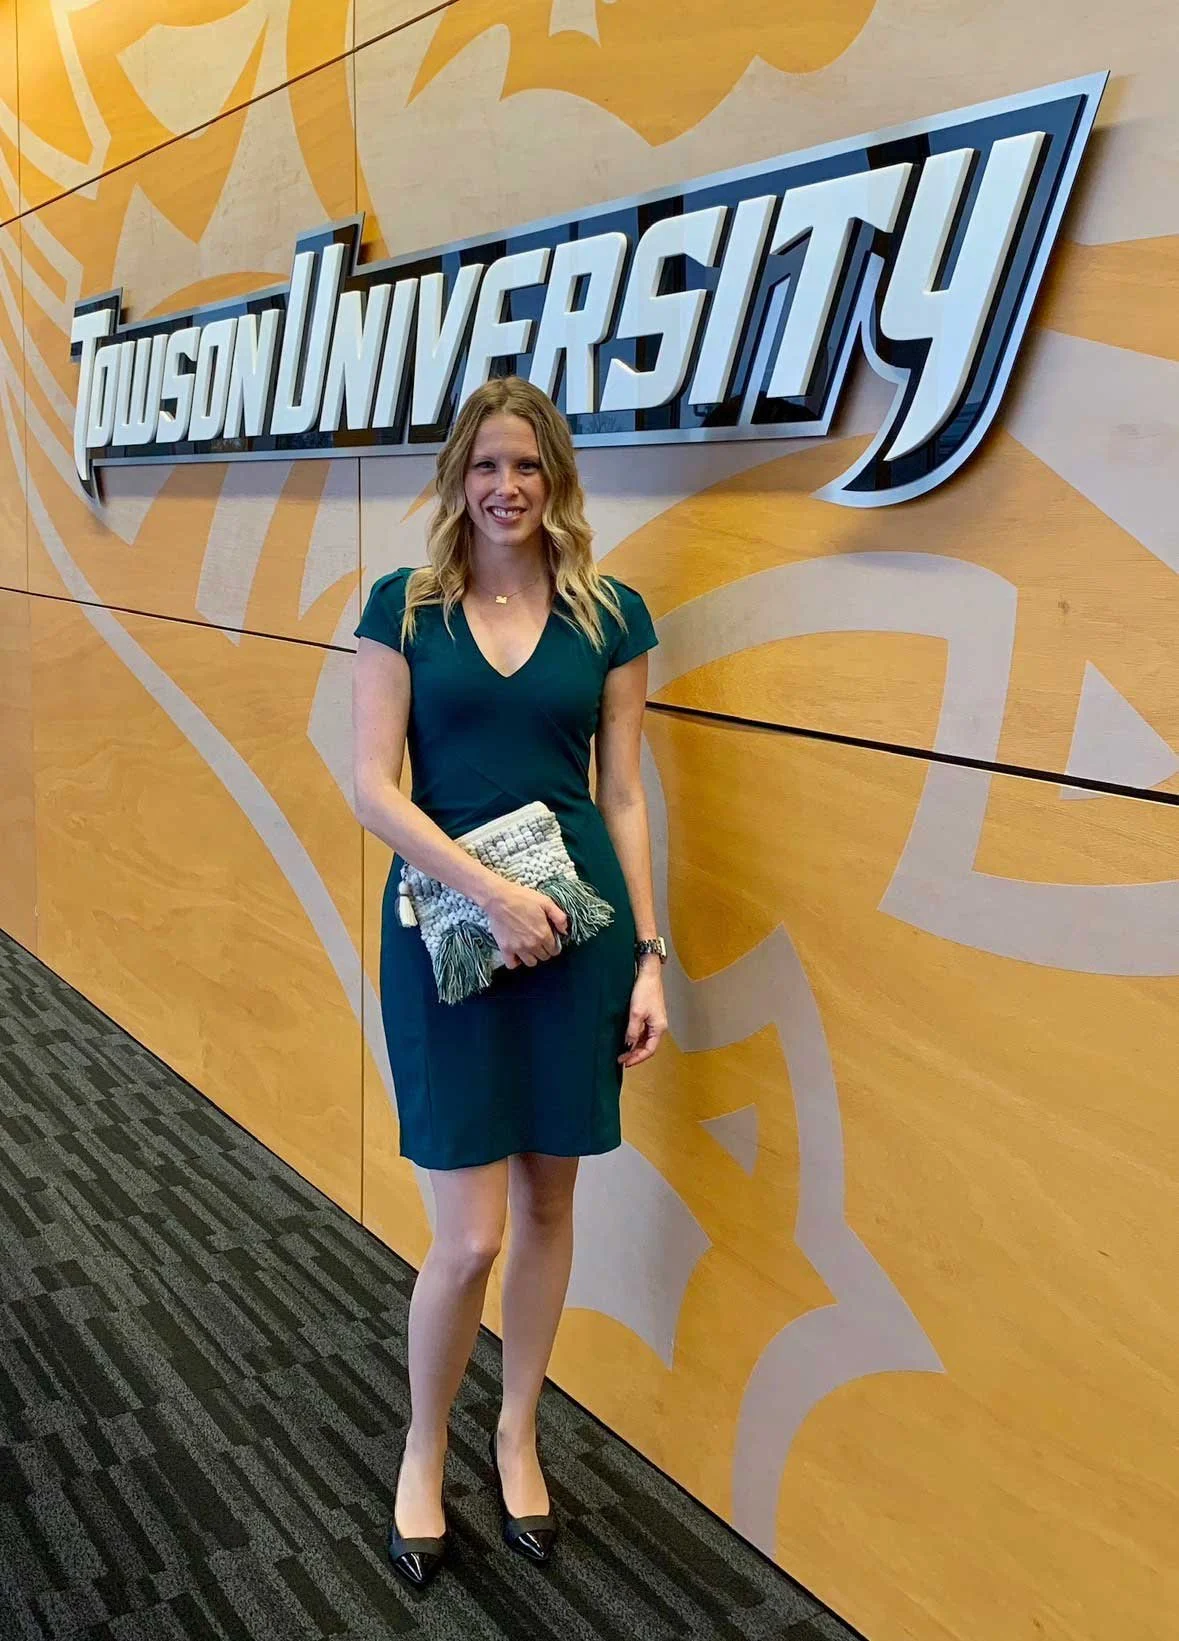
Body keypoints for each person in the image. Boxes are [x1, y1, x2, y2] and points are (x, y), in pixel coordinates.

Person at [350, 375, 669, 1590]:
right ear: (456, 477)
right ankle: (424, 1446)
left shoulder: (612, 615)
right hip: (447, 934)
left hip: (576, 938)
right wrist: (485, 890)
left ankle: (517, 1430)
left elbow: (624, 795)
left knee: (548, 1209)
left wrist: (647, 955)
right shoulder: (404, 609)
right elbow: (374, 787)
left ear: (557, 479)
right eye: (486, 465)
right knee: (468, 1235)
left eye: (527, 466)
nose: (506, 487)